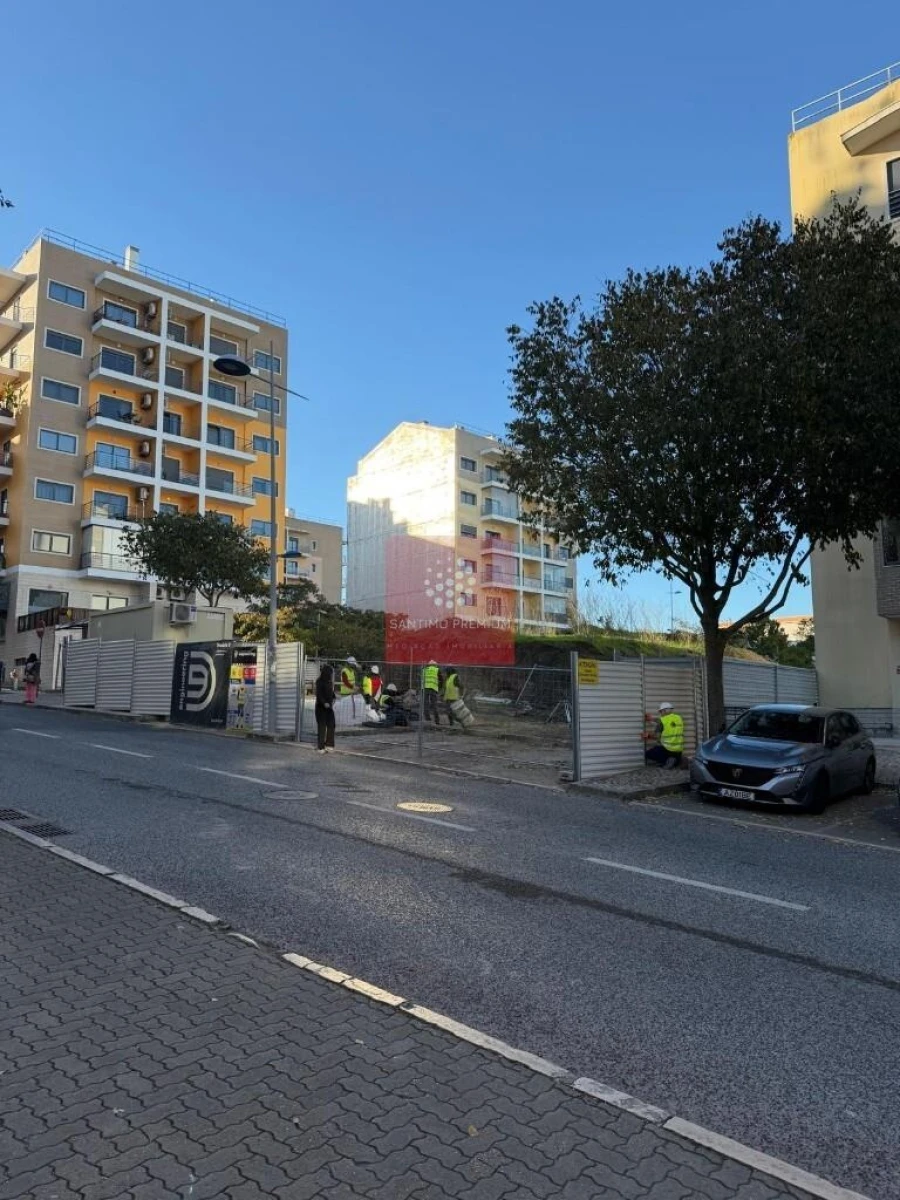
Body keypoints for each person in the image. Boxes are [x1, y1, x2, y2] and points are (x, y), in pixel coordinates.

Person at [645, 702, 684, 768]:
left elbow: (656, 737)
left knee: (648, 754)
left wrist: (648, 735)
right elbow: (669, 722)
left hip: (668, 750)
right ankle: (677, 760)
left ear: (664, 711)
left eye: (661, 711)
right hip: (679, 751)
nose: (660, 713)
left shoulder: (662, 721)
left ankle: (666, 761)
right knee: (674, 757)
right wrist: (652, 719)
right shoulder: (679, 718)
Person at [315, 663, 337, 753]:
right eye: (330, 673)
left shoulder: (329, 682)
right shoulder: (319, 681)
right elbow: (319, 694)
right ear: (326, 673)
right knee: (322, 727)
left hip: (329, 708)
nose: (331, 675)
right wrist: (324, 703)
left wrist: (334, 698)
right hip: (321, 707)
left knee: (332, 725)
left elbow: (331, 693)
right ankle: (321, 747)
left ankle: (329, 745)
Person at [422, 659, 441, 725]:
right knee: (434, 704)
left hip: (425, 688)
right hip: (433, 688)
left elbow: (422, 679)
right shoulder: (437, 670)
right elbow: (441, 679)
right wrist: (439, 688)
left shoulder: (424, 670)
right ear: (435, 665)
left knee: (425, 704)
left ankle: (427, 718)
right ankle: (437, 720)